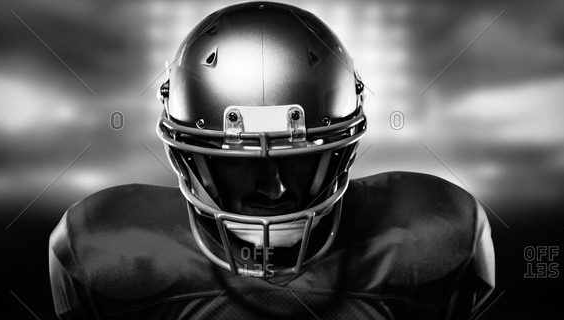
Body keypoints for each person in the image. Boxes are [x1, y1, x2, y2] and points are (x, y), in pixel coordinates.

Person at [49, 2, 494, 319]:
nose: (274, 188)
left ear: (344, 150)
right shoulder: (109, 256)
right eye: (239, 163)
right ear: (185, 156)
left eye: (300, 159)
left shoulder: (435, 240)